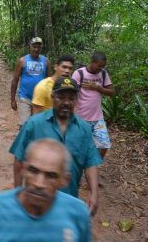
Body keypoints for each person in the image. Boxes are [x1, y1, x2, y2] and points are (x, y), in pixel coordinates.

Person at [9, 77, 102, 215]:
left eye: (71, 98)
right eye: (61, 97)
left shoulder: (84, 129)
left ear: (76, 100)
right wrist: (17, 192)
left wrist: (94, 194)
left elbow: (90, 164)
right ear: (52, 97)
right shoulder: (34, 124)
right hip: (35, 200)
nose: (66, 102)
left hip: (68, 202)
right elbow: (19, 160)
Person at [0, 139, 91, 242]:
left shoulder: (77, 213)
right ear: (22, 170)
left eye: (51, 176)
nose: (39, 184)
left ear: (64, 180)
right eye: (33, 171)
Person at [71, 52, 115, 160]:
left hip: (97, 118)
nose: (101, 68)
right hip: (81, 118)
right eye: (99, 66)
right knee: (79, 147)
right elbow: (71, 93)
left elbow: (112, 92)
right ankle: (78, 170)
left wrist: (98, 88)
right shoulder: (79, 73)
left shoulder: (103, 74)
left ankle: (93, 166)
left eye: (103, 66)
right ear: (92, 62)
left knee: (104, 145)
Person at [10, 37, 50, 127]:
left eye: (38, 47)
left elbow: (49, 81)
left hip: (40, 99)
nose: (36, 49)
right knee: (24, 126)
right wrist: (12, 99)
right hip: (25, 98)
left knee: (38, 126)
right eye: (34, 46)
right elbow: (15, 80)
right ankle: (23, 141)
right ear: (30, 47)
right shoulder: (22, 61)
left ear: (41, 48)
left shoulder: (46, 61)